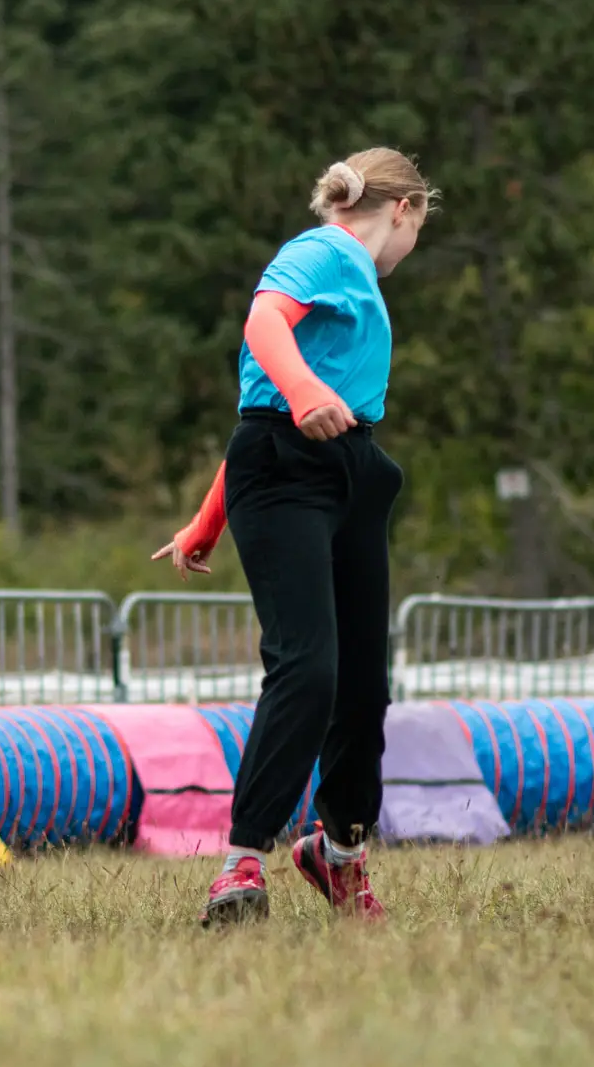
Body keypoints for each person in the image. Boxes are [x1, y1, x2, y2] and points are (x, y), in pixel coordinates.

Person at [152, 148, 434, 927]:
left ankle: (340, 855)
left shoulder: (359, 287)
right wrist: (308, 391)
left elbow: (262, 402)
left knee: (362, 687)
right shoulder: (324, 251)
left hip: (347, 472)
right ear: (404, 210)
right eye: (419, 227)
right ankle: (243, 860)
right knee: (306, 668)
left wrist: (206, 522)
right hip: (289, 473)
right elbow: (264, 330)